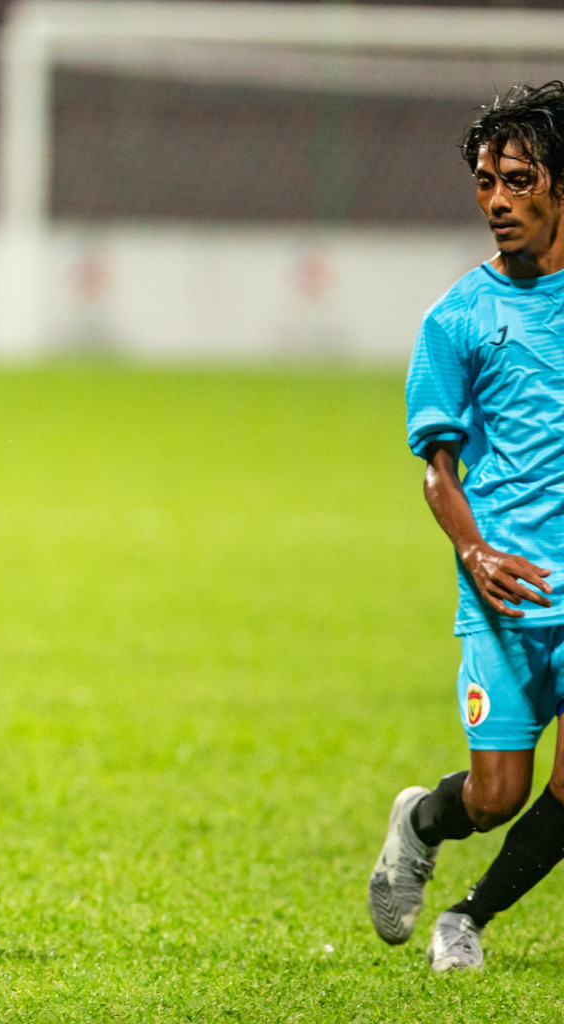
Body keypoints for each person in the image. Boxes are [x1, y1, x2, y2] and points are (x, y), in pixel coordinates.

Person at [370, 80, 564, 973]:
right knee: (497, 796)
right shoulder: (456, 320)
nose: (497, 200)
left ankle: (467, 919)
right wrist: (475, 551)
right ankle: (420, 819)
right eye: (487, 182)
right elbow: (435, 472)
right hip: (501, 587)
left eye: (519, 180)